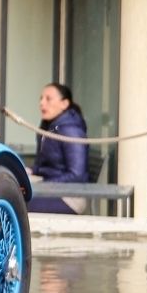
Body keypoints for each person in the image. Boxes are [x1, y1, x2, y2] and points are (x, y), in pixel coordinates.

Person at [26, 82, 89, 214]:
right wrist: (31, 171)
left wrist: (42, 185)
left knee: (17, 204)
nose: (42, 103)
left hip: (69, 197)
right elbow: (48, 166)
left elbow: (76, 175)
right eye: (41, 99)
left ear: (64, 104)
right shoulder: (51, 127)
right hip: (52, 188)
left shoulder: (71, 131)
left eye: (48, 99)